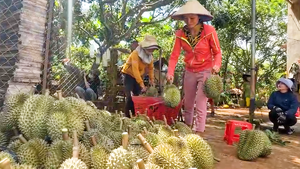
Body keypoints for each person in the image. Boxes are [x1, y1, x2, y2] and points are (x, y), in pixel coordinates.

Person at [166, 0, 222, 135]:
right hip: (190, 71)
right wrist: (170, 72)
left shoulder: (209, 31)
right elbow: (174, 55)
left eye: (192, 18)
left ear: (199, 18)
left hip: (206, 70)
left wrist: (217, 65)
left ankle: (199, 132)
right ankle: (187, 129)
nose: (189, 21)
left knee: (201, 102)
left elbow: (217, 52)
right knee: (189, 102)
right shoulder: (180, 34)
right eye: (186, 18)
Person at [122, 35, 160, 117]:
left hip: (139, 75)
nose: (152, 50)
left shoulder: (150, 57)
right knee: (130, 97)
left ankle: (135, 115)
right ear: (146, 47)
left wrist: (152, 80)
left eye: (153, 49)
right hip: (128, 74)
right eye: (151, 48)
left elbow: (150, 69)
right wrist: (141, 84)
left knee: (137, 96)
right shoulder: (135, 54)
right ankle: (127, 117)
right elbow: (135, 70)